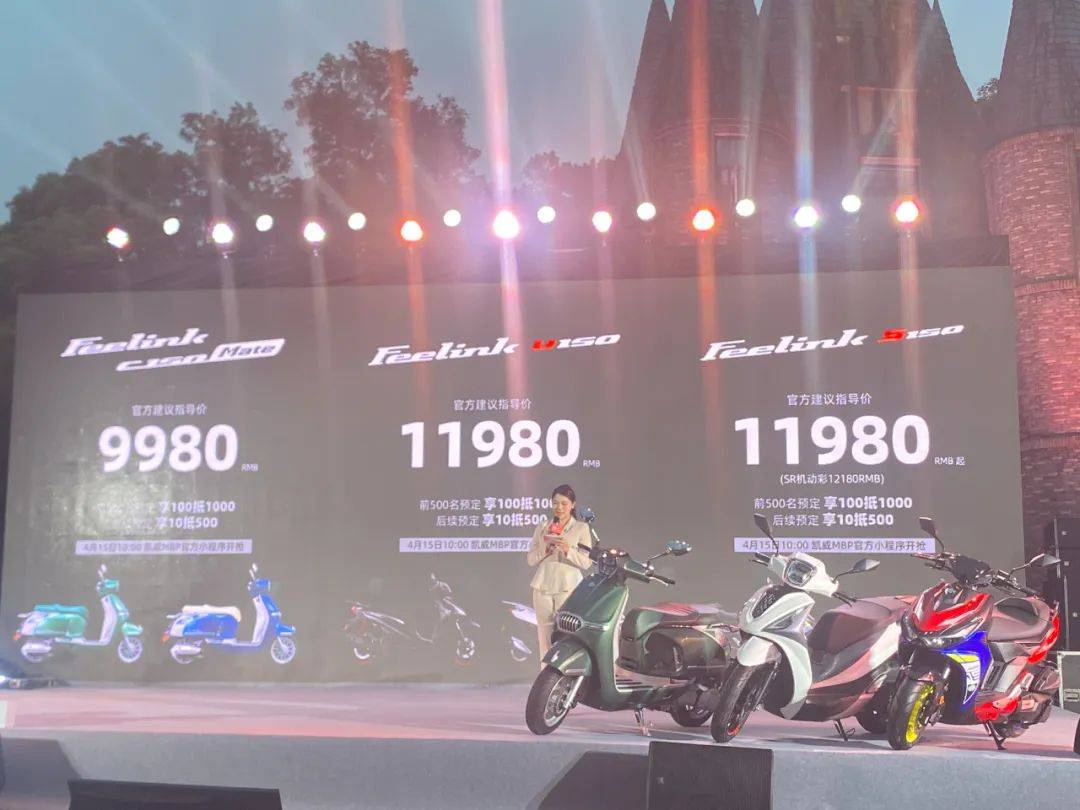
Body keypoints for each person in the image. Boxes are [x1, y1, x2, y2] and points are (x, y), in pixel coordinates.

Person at [526, 484, 593, 659]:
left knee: (568, 636)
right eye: (555, 503)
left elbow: (586, 562)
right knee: (545, 640)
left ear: (573, 505)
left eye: (564, 503)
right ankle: (546, 675)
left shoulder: (581, 528)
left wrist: (567, 550)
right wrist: (545, 550)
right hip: (543, 587)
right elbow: (530, 559)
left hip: (569, 587)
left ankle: (567, 674)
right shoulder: (543, 526)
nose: (559, 507)